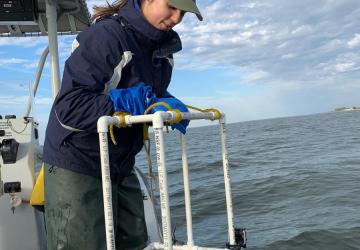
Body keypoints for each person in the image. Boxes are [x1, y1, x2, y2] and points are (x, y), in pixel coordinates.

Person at [42, 0, 203, 249]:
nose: (177, 18)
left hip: (120, 163)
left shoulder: (163, 51)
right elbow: (69, 108)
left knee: (135, 242)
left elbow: (149, 96)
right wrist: (125, 103)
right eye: (172, 7)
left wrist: (162, 103)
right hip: (78, 161)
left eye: (183, 12)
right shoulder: (107, 36)